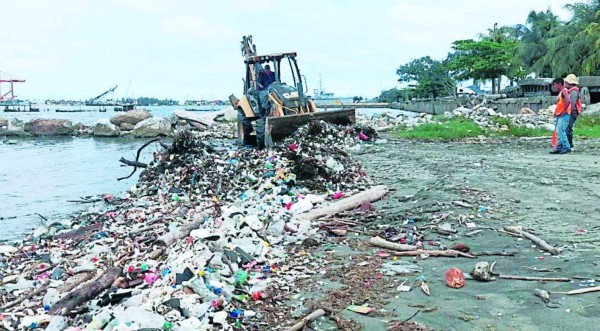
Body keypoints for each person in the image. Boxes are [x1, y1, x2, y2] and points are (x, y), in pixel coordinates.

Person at [551, 78, 572, 154]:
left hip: (564, 115)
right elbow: (560, 104)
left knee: (560, 130)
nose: (554, 87)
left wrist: (563, 111)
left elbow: (569, 100)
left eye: (555, 85)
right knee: (559, 131)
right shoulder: (561, 93)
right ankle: (559, 148)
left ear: (559, 84)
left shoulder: (564, 91)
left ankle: (566, 147)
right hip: (560, 115)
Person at [564, 74, 582, 151]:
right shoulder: (572, 90)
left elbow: (573, 103)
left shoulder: (574, 91)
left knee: (568, 128)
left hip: (573, 112)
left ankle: (570, 146)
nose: (565, 83)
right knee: (567, 128)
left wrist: (570, 112)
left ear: (570, 83)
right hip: (572, 112)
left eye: (566, 82)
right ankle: (568, 145)